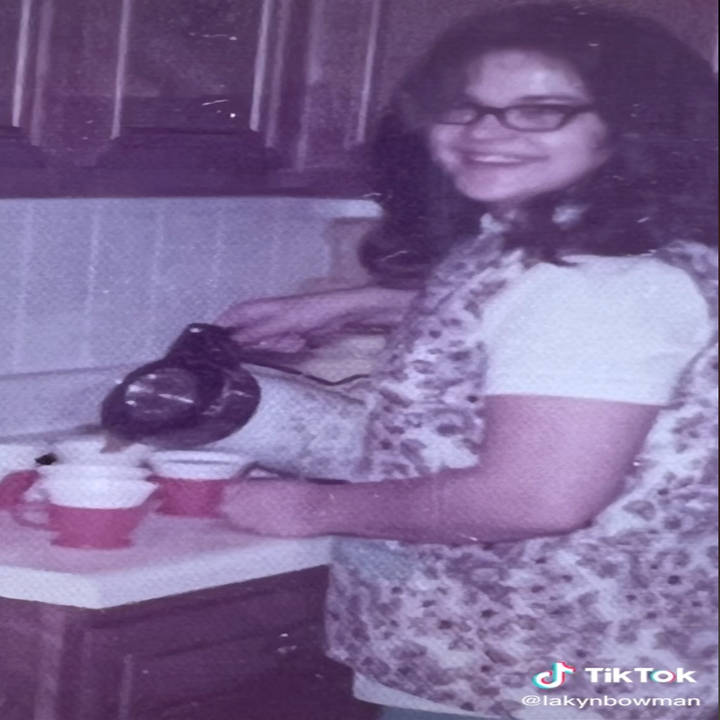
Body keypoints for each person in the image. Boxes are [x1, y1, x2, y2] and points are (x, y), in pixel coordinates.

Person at [217, 4, 718, 719]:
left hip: (544, 686)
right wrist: (352, 304)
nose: (485, 133)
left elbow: (535, 497)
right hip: (589, 663)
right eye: (464, 108)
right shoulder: (575, 240)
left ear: (630, 125)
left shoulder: (591, 286)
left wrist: (313, 507)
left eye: (539, 111)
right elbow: (525, 318)